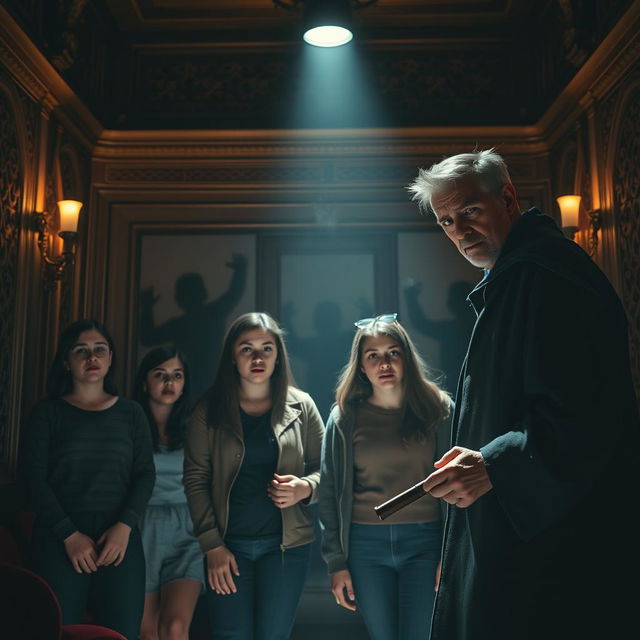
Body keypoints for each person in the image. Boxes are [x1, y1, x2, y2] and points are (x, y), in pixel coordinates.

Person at [407, 149, 640, 640]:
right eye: (447, 221)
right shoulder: (514, 278)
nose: (459, 231)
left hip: (554, 543)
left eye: (469, 211)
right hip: (520, 522)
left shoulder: (547, 277)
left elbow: (586, 413)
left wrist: (494, 464)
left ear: (508, 197)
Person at [183, 311, 325, 640]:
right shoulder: (208, 410)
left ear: (278, 356)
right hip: (227, 546)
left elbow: (329, 472)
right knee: (231, 634)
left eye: (267, 348)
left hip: (286, 548)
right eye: (247, 348)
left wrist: (305, 488)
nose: (258, 357)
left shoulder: (302, 407)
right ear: (232, 357)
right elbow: (195, 480)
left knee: (273, 635)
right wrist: (212, 546)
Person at [317, 313, 451, 640]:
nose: (384, 362)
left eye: (393, 352)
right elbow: (330, 491)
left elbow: (459, 484)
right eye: (373, 355)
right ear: (361, 366)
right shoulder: (344, 417)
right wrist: (336, 562)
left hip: (426, 542)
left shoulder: (438, 408)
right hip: (365, 545)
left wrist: (451, 553)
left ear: (406, 357)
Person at [24, 319, 155, 639]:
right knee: (59, 631)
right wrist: (69, 534)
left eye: (100, 350)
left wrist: (124, 526)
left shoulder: (132, 413)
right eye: (81, 350)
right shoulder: (47, 413)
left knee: (122, 632)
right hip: (59, 539)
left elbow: (144, 474)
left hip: (119, 539)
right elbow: (32, 480)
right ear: (66, 362)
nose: (91, 357)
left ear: (110, 358)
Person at [133, 347, 204, 640]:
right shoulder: (128, 422)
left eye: (177, 376)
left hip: (187, 527)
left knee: (174, 628)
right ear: (144, 382)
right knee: (147, 631)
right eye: (160, 375)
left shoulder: (196, 425)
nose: (169, 383)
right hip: (140, 526)